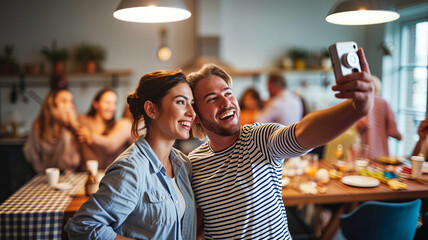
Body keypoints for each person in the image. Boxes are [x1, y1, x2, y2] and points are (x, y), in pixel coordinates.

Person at [187, 48, 374, 239]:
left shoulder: (258, 139)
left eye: (228, 93)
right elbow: (197, 227)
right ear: (196, 116)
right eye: (212, 98)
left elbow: (302, 132)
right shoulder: (192, 163)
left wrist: (355, 109)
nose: (226, 102)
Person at [65, 70, 197, 239]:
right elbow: (84, 226)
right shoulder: (131, 169)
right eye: (181, 102)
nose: (191, 113)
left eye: (192, 104)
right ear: (151, 109)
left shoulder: (183, 164)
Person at [23, 88, 81, 173]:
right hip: (42, 177)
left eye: (71, 101)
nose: (71, 106)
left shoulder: (72, 129)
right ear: (52, 106)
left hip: (68, 178)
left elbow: (73, 162)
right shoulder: (38, 127)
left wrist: (74, 128)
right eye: (64, 101)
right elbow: (34, 160)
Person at [77, 88, 133, 170]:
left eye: (114, 103)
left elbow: (110, 145)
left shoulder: (120, 125)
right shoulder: (83, 121)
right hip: (85, 175)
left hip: (110, 176)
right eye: (107, 103)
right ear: (95, 104)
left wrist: (90, 136)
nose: (112, 107)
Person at [356, 75, 401, 159]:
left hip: (366, 151)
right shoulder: (384, 102)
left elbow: (360, 125)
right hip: (382, 152)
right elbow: (393, 130)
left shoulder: (362, 102)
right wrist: (400, 136)